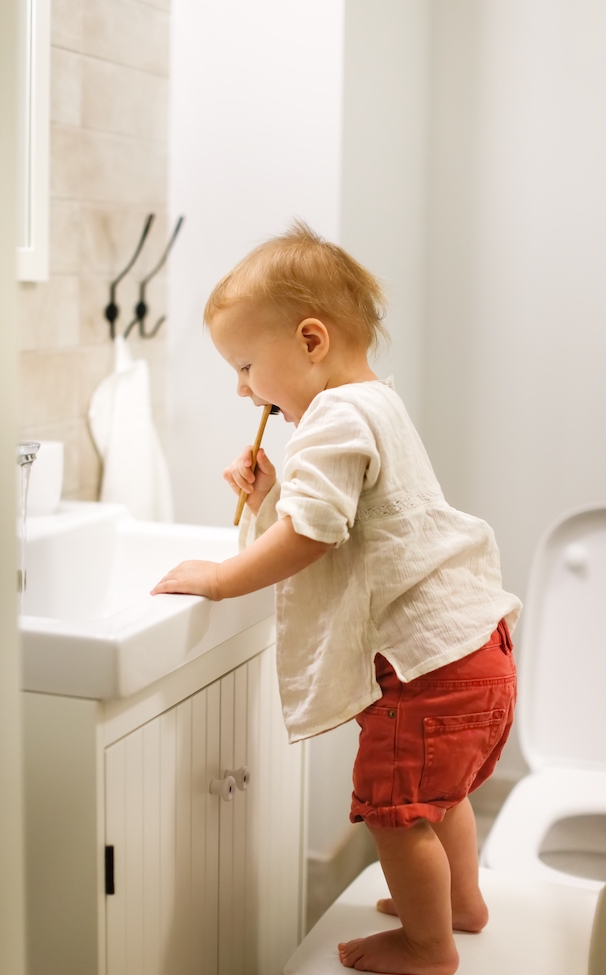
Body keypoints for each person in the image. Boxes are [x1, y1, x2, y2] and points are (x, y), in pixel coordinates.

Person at [151, 222, 521, 975]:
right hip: (473, 653)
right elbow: (346, 524)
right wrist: (273, 493)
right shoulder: (375, 403)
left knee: (394, 812)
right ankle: (461, 903)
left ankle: (428, 943)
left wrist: (224, 576)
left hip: (423, 676)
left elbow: (313, 537)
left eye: (248, 365)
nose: (243, 388)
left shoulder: (331, 417)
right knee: (437, 797)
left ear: (311, 340)